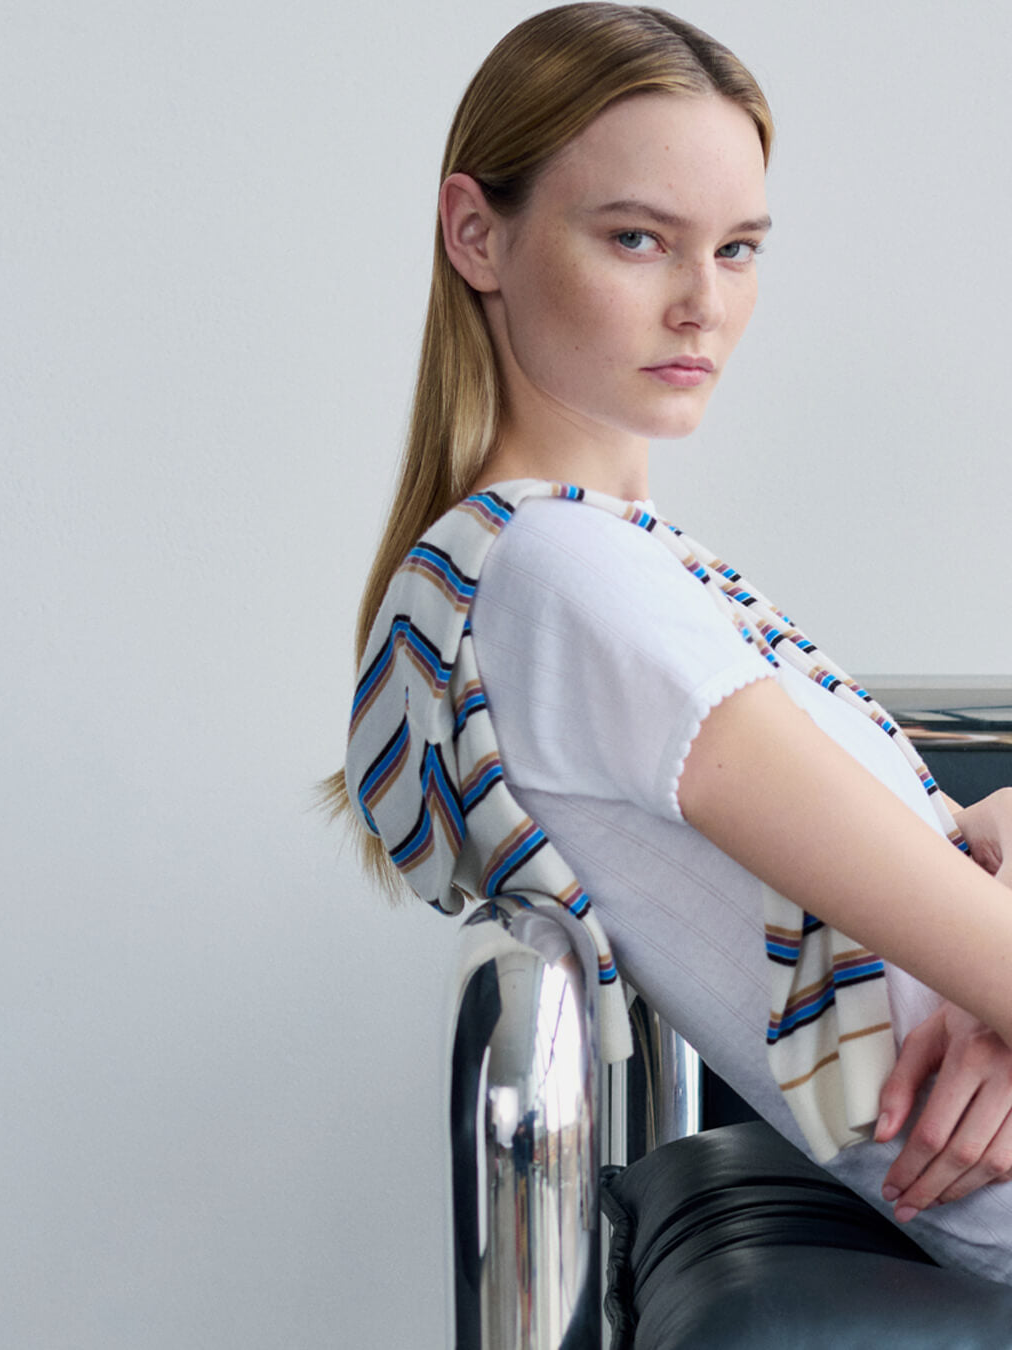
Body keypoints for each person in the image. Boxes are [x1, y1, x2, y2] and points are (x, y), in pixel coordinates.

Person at [327, 2, 1012, 1284]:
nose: (704, 304)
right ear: (477, 233)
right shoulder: (565, 578)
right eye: (638, 239)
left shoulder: (605, 561)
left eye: (738, 248)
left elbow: (960, 907)